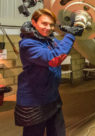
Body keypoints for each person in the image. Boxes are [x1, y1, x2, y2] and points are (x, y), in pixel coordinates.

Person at [14, 8, 83, 136]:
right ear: (34, 23)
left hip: (52, 96)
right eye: (44, 23)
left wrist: (74, 25)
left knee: (58, 132)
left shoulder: (48, 40)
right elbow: (54, 58)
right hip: (34, 101)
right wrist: (71, 34)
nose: (48, 27)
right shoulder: (28, 44)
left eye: (51, 25)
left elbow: (63, 45)